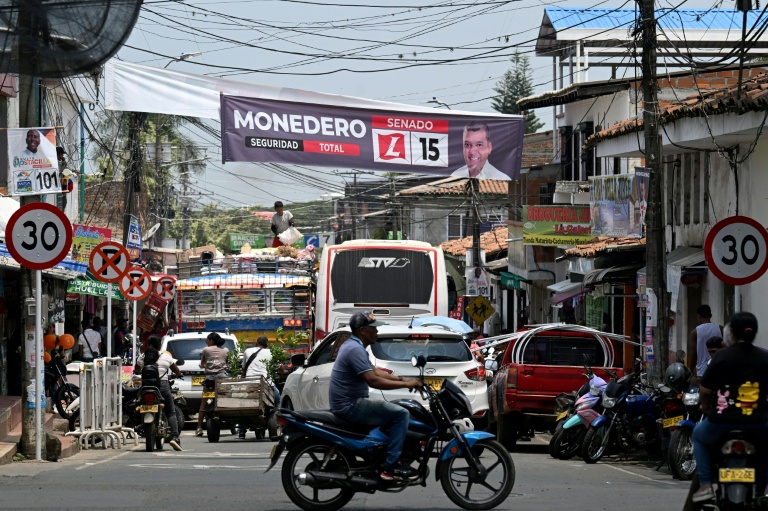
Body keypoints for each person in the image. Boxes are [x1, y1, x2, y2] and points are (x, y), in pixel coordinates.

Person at [329, 312, 422, 481]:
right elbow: (373, 380)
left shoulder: (354, 346)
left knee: (395, 410)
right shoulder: (355, 349)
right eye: (374, 328)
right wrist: (407, 385)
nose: (377, 332)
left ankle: (383, 453)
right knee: (401, 414)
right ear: (363, 330)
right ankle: (390, 467)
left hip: (349, 402)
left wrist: (403, 378)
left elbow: (376, 371)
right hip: (350, 405)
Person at [691, 312, 768, 503]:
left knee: (698, 437)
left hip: (720, 422)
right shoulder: (764, 357)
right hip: (758, 423)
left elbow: (705, 391)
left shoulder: (721, 357)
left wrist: (706, 408)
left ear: (731, 333)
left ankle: (706, 485)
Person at [134, 335, 184, 451]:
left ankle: (136, 424)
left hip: (146, 387)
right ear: (159, 345)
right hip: (162, 387)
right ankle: (175, 437)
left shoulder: (143, 356)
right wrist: (179, 374)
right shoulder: (166, 356)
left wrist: (138, 371)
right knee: (171, 411)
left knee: (138, 404)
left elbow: (137, 369)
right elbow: (176, 370)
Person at [239, 336, 279, 439]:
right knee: (278, 397)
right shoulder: (271, 353)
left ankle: (242, 431)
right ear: (267, 345)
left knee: (243, 405)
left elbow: (243, 368)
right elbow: (278, 367)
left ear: (256, 343)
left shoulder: (248, 351)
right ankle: (278, 416)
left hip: (249, 382)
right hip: (266, 383)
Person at [197, 332, 230, 436]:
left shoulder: (206, 350)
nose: (207, 343)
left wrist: (206, 365)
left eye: (207, 341)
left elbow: (202, 364)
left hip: (210, 380)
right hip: (222, 379)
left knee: (203, 403)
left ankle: (199, 428)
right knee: (226, 399)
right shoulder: (226, 350)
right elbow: (227, 363)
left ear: (211, 341)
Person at [688, 305, 723, 381]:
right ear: (710, 316)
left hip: (702, 371)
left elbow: (694, 354)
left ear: (699, 317)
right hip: (719, 370)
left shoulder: (694, 332)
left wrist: (690, 370)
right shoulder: (721, 329)